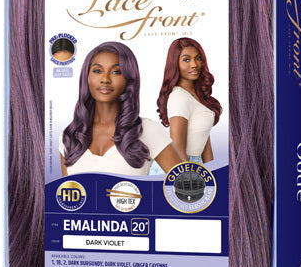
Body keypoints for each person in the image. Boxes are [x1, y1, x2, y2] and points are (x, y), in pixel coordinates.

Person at [60, 42, 182, 176]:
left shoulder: (148, 130)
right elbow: (65, 188)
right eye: (97, 71)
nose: (105, 79)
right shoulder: (69, 137)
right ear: (87, 77)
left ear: (129, 79)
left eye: (116, 72)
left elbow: (188, 183)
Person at [156, 38, 222, 164]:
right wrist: (190, 174)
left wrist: (213, 171)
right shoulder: (178, 97)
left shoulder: (198, 96)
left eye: (198, 58)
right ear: (175, 63)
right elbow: (178, 149)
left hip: (194, 163)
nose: (194, 64)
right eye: (186, 60)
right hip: (182, 165)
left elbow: (204, 136)